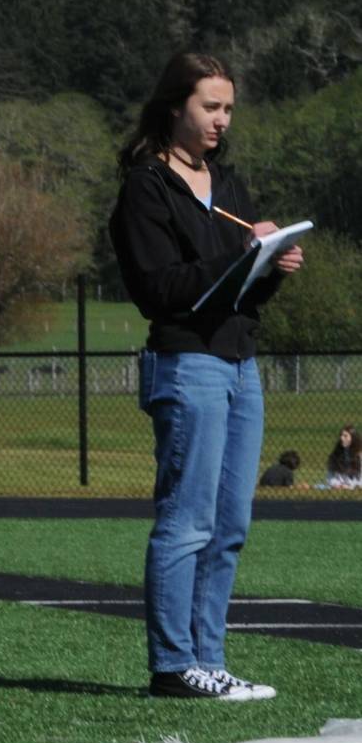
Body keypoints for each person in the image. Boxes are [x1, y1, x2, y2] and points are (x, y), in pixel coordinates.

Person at [109, 52, 303, 701]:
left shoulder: (229, 184)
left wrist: (271, 266)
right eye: (210, 107)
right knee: (187, 519)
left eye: (228, 109)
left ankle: (208, 662)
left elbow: (240, 292)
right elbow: (159, 289)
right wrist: (242, 255)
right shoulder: (146, 187)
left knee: (229, 526)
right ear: (175, 108)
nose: (222, 120)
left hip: (240, 363)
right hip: (187, 362)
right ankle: (173, 666)